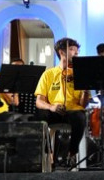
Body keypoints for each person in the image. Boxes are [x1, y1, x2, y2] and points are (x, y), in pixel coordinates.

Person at [34, 37, 92, 168]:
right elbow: (39, 101)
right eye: (72, 50)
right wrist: (51, 106)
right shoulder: (48, 74)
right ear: (61, 52)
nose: (76, 54)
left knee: (80, 117)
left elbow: (83, 105)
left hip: (73, 111)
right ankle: (48, 154)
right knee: (39, 116)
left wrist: (85, 91)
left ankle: (72, 153)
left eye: (77, 52)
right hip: (55, 110)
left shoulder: (80, 73)